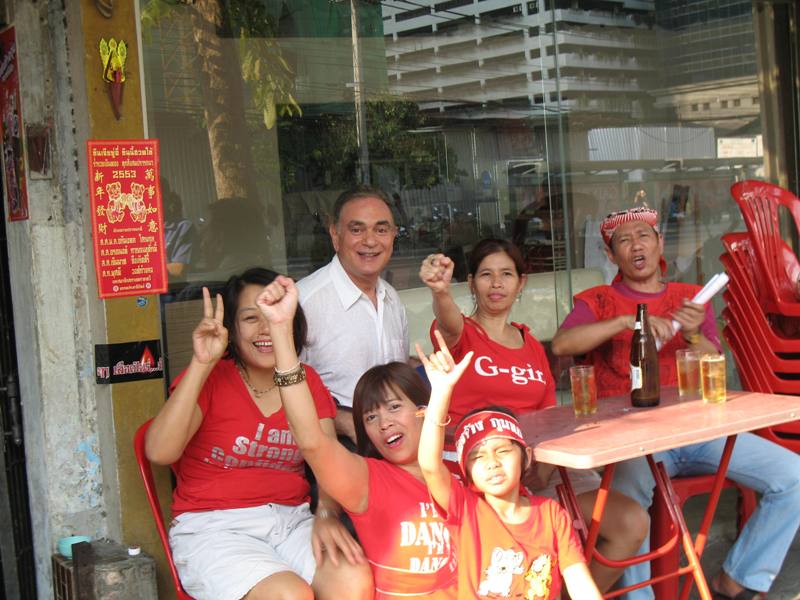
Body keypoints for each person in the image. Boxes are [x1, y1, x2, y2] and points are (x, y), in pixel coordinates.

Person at [551, 207, 800, 600]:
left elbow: (714, 363)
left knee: (794, 475)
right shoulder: (597, 299)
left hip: (699, 432)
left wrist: (694, 335)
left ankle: (738, 579)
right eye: (624, 240)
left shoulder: (690, 298)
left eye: (644, 236)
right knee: (627, 505)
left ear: (659, 244)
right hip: (633, 441)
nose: (636, 245)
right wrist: (624, 322)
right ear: (611, 255)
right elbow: (563, 345)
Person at [420, 238, 648, 592]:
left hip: (540, 465)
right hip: (484, 472)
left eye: (506, 274)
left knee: (631, 522)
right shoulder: (461, 334)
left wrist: (542, 465)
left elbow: (548, 416)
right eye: (486, 275)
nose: (497, 284)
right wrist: (440, 291)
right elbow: (448, 319)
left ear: (521, 282)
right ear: (471, 283)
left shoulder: (531, 347)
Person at [145, 267, 372, 600]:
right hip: (215, 528)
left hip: (291, 522)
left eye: (273, 315)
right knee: (289, 595)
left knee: (353, 579)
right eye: (251, 318)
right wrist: (201, 363)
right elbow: (159, 452)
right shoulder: (212, 378)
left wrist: (326, 513)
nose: (265, 328)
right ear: (232, 330)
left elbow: (327, 457)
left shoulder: (305, 380)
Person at [255, 275, 458, 599]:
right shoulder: (367, 479)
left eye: (393, 407)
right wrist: (280, 331)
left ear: (423, 409)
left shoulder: (460, 468)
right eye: (370, 417)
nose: (383, 423)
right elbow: (312, 441)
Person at [416, 331, 602, 599]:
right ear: (466, 472)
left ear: (526, 457)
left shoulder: (552, 514)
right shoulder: (466, 509)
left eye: (502, 450)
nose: (492, 463)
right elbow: (430, 465)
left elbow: (580, 583)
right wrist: (442, 393)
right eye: (478, 457)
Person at [297, 185, 409, 441]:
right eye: (356, 230)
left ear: (393, 236)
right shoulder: (304, 302)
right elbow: (278, 390)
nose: (370, 241)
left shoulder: (392, 299)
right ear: (335, 235)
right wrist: (345, 422)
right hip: (334, 443)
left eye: (381, 230)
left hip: (393, 439)